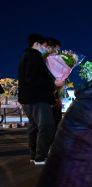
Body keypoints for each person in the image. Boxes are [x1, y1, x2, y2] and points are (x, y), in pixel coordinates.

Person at [18, 34, 60, 165]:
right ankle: (40, 157)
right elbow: (33, 79)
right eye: (45, 46)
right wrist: (54, 84)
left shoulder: (27, 56)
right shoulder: (34, 57)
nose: (46, 48)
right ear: (36, 44)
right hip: (37, 98)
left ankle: (35, 155)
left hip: (29, 98)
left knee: (34, 126)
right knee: (46, 126)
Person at [47, 37, 64, 131]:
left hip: (56, 98)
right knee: (49, 125)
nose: (58, 52)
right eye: (57, 50)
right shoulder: (44, 62)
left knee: (57, 122)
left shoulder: (56, 63)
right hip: (49, 99)